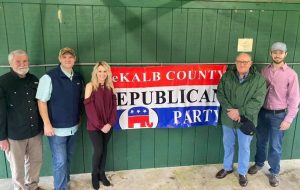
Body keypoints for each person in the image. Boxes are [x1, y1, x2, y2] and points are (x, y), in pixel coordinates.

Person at [248, 42, 300, 187]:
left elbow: (295, 99)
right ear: (271, 53)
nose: (277, 55)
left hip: (279, 116)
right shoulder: (264, 71)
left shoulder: (291, 75)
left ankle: (274, 172)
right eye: (275, 52)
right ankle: (258, 164)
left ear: (285, 54)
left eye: (281, 52)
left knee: (275, 146)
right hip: (262, 113)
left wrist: (288, 119)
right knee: (261, 141)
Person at [36, 47, 84, 190]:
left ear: (74, 59)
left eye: (70, 57)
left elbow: (79, 99)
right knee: (60, 162)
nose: (67, 60)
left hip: (73, 127)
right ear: (59, 59)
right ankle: (60, 187)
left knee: (67, 158)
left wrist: (79, 119)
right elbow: (41, 101)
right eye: (64, 57)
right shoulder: (49, 77)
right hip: (56, 129)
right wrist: (46, 124)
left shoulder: (78, 77)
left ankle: (65, 182)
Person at [215, 53, 266, 187]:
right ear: (235, 62)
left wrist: (239, 112)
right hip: (228, 118)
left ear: (250, 63)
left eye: (245, 62)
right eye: (239, 61)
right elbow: (220, 93)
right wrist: (230, 110)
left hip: (246, 120)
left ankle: (242, 173)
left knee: (244, 147)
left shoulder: (259, 80)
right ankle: (227, 167)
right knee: (228, 145)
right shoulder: (227, 76)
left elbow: (258, 101)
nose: (242, 64)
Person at [0, 50, 43, 190]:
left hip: (35, 132)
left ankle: (33, 186)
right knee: (17, 168)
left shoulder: (34, 79)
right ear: (11, 63)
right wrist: (2, 137)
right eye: (18, 61)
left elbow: (40, 104)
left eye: (25, 61)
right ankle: (19, 188)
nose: (22, 64)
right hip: (14, 135)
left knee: (36, 162)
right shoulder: (3, 82)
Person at [84, 61, 117, 190]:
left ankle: (102, 174)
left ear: (108, 73)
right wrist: (100, 125)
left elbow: (114, 106)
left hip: (108, 126)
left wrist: (109, 123)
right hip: (94, 126)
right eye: (99, 71)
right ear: (95, 72)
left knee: (104, 150)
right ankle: (94, 175)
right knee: (98, 150)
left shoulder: (111, 87)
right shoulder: (90, 86)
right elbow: (89, 108)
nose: (102, 74)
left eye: (105, 71)